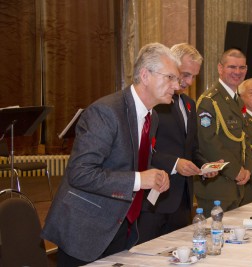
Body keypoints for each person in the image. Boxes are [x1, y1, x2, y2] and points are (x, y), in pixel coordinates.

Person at [41, 42, 178, 266]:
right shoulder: (106, 112)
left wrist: (153, 174)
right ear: (145, 75)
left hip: (120, 224)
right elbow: (80, 173)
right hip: (85, 230)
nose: (176, 85)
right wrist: (138, 179)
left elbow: (131, 161)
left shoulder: (153, 117)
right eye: (170, 77)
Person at [137, 43, 219, 244]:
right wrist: (175, 164)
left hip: (183, 200)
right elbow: (142, 150)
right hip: (154, 199)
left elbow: (191, 148)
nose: (188, 82)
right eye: (184, 74)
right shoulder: (154, 103)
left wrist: (204, 166)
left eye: (193, 76)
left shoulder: (189, 105)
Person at [195, 48, 251, 217]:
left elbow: (243, 140)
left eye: (241, 68)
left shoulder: (237, 100)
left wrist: (246, 169)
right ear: (220, 68)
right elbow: (209, 143)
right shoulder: (210, 101)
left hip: (236, 187)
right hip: (216, 188)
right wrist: (236, 171)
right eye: (232, 67)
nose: (237, 72)